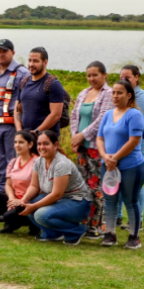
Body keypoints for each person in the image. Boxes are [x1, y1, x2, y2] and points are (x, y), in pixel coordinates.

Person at [20, 130, 93, 246]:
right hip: (61, 200)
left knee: (40, 214)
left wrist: (33, 206)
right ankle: (53, 233)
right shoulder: (39, 161)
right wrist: (23, 200)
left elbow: (56, 194)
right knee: (27, 204)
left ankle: (77, 231)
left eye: (46, 143)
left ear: (55, 145)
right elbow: (34, 186)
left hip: (78, 202)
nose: (41, 147)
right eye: (39, 144)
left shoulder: (61, 164)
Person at [96, 80, 144, 249]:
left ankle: (134, 236)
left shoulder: (135, 115)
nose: (115, 96)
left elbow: (134, 140)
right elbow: (100, 138)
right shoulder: (108, 114)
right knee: (110, 200)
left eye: (120, 93)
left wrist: (115, 157)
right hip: (108, 166)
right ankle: (110, 234)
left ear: (129, 95)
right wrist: (105, 157)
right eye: (114, 92)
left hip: (131, 165)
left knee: (130, 201)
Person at [70, 60, 114, 238]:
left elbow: (102, 119)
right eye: (89, 75)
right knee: (82, 186)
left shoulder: (109, 94)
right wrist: (75, 136)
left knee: (96, 187)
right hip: (82, 148)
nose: (92, 78)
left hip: (97, 147)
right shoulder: (83, 93)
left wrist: (83, 135)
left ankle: (97, 226)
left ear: (104, 75)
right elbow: (74, 115)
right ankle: (84, 222)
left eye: (95, 75)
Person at [0, 40, 29, 209]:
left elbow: (26, 99)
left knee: (13, 165)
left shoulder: (21, 72)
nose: (0, 54)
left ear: (12, 52)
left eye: (4, 51)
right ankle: (3, 204)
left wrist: (20, 129)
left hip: (11, 127)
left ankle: (16, 203)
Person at [0, 131, 39, 235]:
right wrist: (11, 198)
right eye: (15, 142)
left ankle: (32, 223)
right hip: (15, 200)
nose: (17, 145)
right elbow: (8, 184)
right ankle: (13, 219)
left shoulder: (37, 162)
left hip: (30, 201)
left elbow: (37, 187)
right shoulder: (13, 162)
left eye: (21, 142)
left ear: (30, 144)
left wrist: (21, 201)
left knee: (5, 217)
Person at [17, 47, 66, 135]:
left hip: (46, 139)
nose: (31, 64)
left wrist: (36, 132)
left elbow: (56, 115)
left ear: (45, 62)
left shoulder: (53, 84)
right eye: (30, 60)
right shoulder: (24, 82)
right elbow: (17, 109)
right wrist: (20, 132)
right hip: (26, 138)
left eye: (35, 61)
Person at [118, 64, 144, 230]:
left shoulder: (141, 97)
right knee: (117, 181)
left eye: (127, 77)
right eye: (121, 78)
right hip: (120, 147)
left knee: (136, 185)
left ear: (137, 78)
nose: (124, 80)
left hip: (138, 148)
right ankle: (118, 217)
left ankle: (138, 219)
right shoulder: (122, 96)